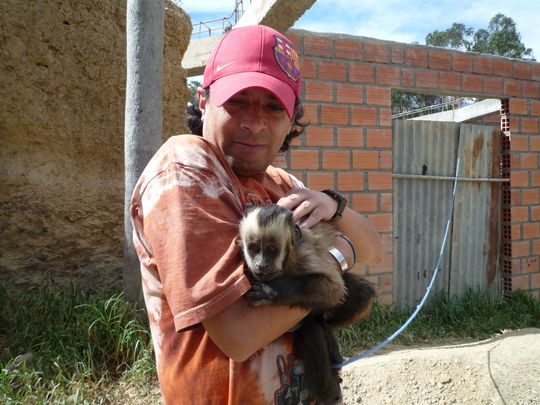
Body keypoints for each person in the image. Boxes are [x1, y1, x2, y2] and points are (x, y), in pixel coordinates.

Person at [130, 24, 384, 404]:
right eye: (237, 101)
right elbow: (238, 335)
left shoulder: (282, 183)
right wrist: (337, 261)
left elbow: (374, 249)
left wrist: (335, 205)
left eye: (272, 107)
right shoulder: (186, 167)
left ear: (292, 117)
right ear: (204, 100)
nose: (254, 121)